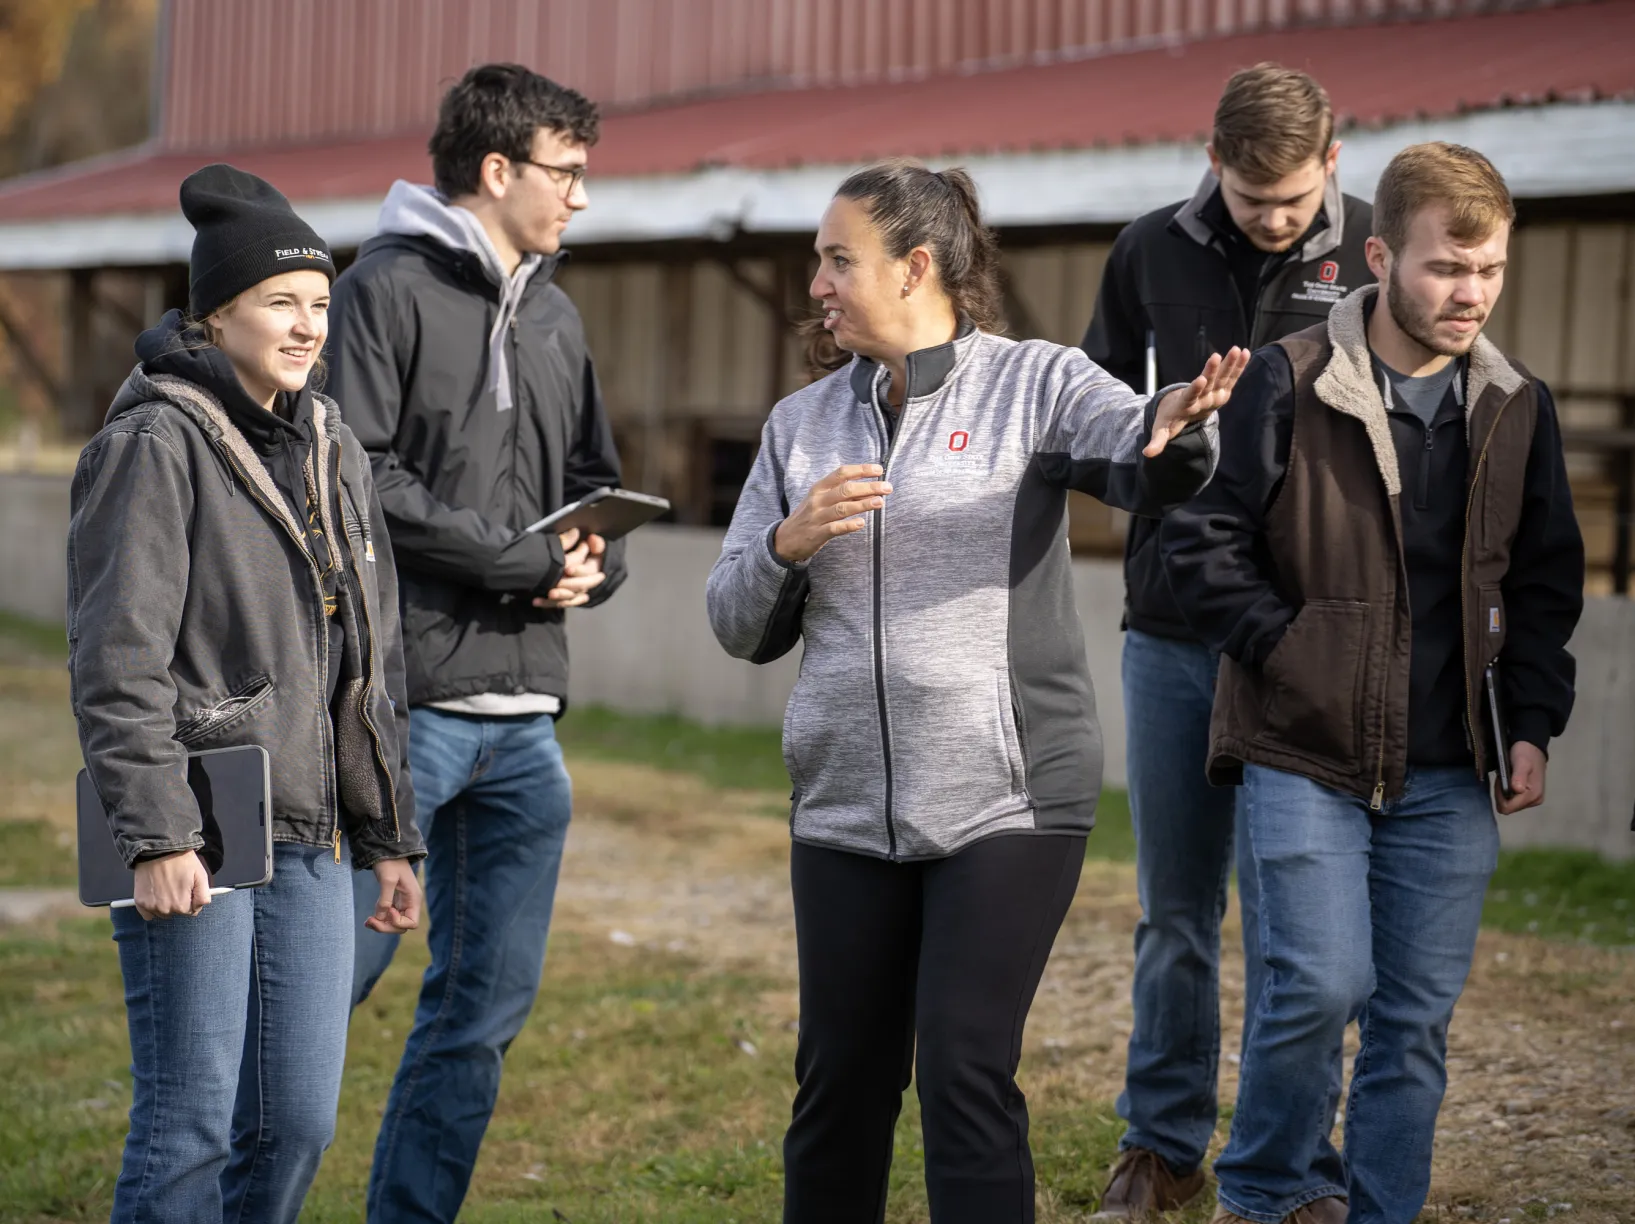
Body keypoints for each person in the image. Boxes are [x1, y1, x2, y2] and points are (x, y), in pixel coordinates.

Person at [707, 158, 1248, 1224]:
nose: (815, 282)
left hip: (1008, 797)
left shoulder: (1035, 384)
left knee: (962, 1068)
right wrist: (786, 540)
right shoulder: (798, 425)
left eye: (835, 260)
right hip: (844, 807)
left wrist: (1182, 423)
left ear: (915, 267)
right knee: (841, 1086)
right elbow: (736, 621)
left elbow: (1140, 448)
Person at [1162, 143, 1584, 1224]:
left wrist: (1530, 720)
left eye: (1490, 271)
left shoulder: (1518, 405)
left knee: (1412, 1022)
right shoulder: (1288, 380)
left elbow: (1543, 584)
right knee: (1316, 987)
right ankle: (1262, 1197)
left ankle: (1377, 1209)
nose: (1470, 294)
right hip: (1304, 747)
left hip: (1452, 765)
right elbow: (1198, 548)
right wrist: (1288, 650)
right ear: (1384, 255)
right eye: (1449, 268)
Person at [66, 164, 424, 1223]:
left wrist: (389, 836)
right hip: (200, 825)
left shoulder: (334, 447)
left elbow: (369, 662)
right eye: (281, 302)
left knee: (300, 1118)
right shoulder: (153, 442)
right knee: (191, 1122)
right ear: (215, 314)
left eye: (320, 303)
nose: (308, 324)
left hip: (312, 836)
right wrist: (157, 832)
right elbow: (115, 657)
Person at [326, 63, 627, 1222]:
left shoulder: (556, 310)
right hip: (403, 715)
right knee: (321, 991)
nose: (582, 199)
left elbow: (593, 482)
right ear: (498, 170)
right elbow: (358, 474)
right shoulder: (381, 290)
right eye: (570, 173)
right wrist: (516, 562)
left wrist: (596, 561)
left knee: (481, 1020)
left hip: (526, 730)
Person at [1080, 63, 1369, 1218]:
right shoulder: (1148, 249)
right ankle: (1162, 1145)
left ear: (1335, 163)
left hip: (1305, 636)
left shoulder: (1373, 261)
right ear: (1213, 161)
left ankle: (1295, 1162)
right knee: (1176, 911)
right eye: (1254, 199)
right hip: (1170, 633)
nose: (1276, 220)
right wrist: (1142, 461)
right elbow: (1092, 414)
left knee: (1305, 935)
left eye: (1295, 199)